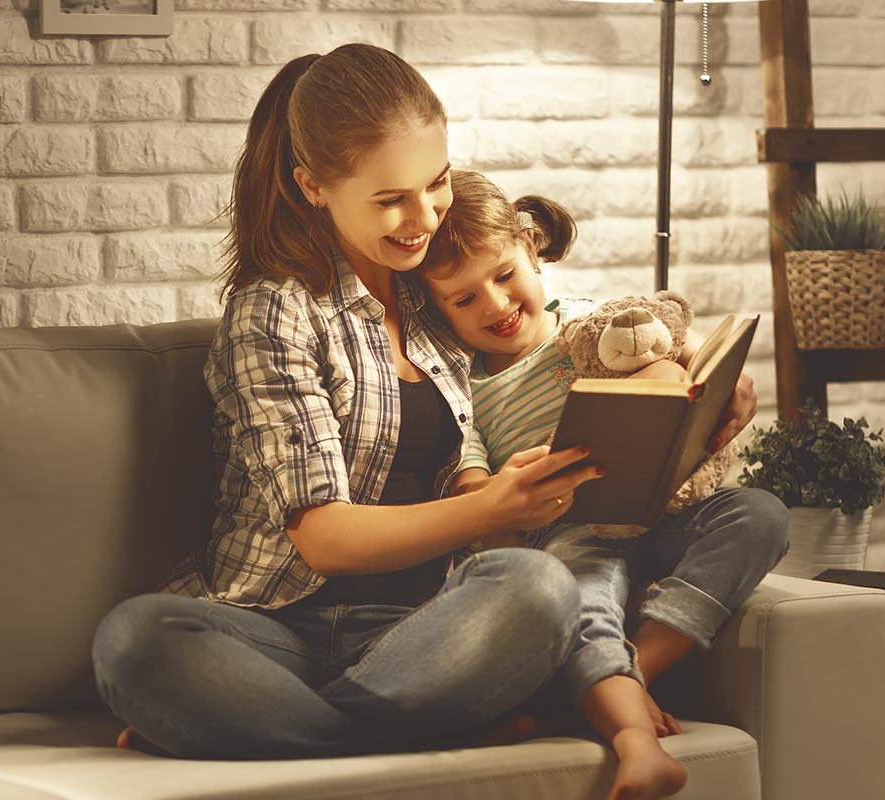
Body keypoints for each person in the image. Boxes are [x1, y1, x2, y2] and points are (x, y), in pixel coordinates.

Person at [92, 43, 605, 771]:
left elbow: (548, 350)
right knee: (135, 640)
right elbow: (324, 539)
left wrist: (676, 392)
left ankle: (282, 730)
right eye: (390, 198)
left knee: (539, 588)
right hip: (274, 628)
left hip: (422, 630)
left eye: (436, 183)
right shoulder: (274, 313)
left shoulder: (436, 295)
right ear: (314, 186)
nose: (422, 216)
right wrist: (491, 508)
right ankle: (418, 728)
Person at [416, 169, 790, 796]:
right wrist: (504, 488)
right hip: (573, 528)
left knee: (761, 514)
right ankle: (634, 740)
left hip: (665, 511)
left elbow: (684, 354)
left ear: (533, 252)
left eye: (505, 275)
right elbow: (472, 490)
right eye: (464, 299)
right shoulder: (463, 387)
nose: (496, 305)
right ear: (436, 308)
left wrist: (725, 386)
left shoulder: (594, 321)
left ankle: (630, 673)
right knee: (582, 595)